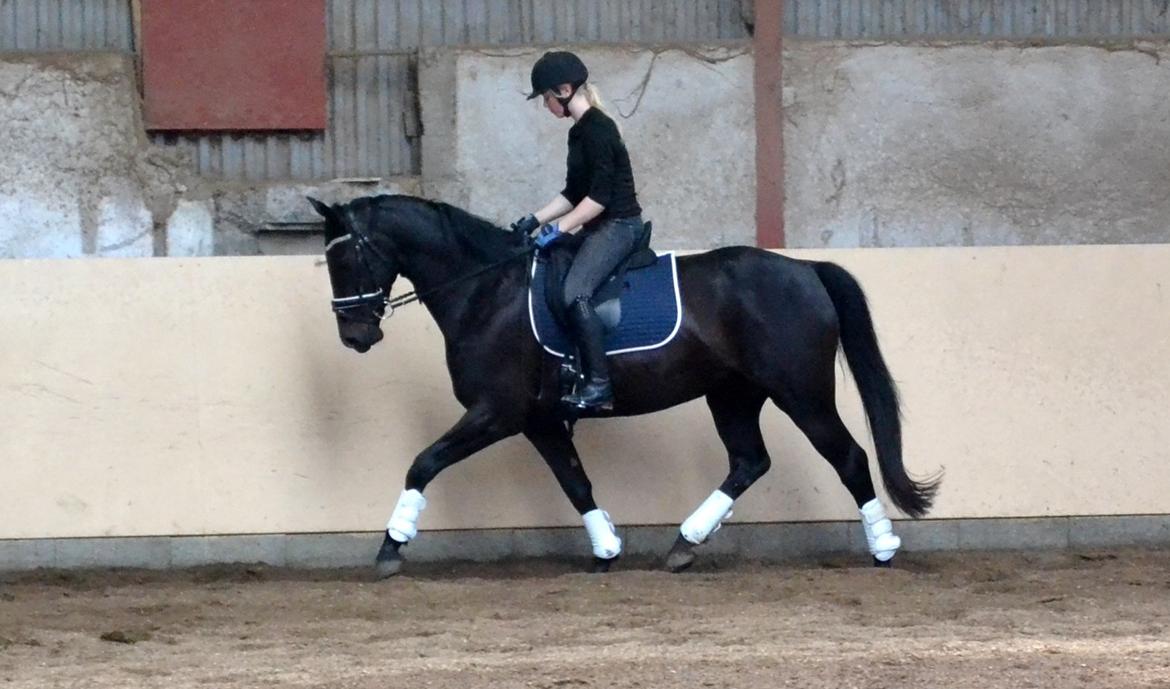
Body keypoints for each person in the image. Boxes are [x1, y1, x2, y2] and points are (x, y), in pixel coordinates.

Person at [511, 51, 644, 412]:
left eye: (546, 98)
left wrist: (556, 229)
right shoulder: (578, 133)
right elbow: (574, 192)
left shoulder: (599, 129)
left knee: (575, 291)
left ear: (565, 90)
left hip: (619, 225)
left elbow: (599, 199)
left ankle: (599, 384)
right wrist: (533, 219)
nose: (545, 105)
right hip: (597, 224)